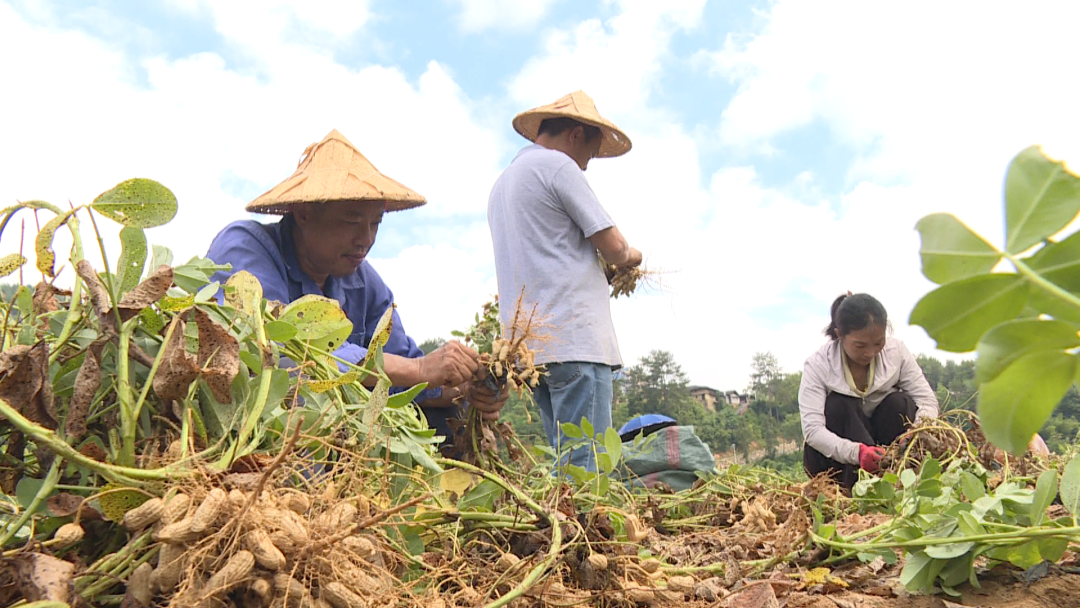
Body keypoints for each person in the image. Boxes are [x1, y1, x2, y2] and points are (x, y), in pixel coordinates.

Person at [207, 129, 508, 447]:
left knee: (442, 424)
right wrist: (418, 368)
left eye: (375, 223)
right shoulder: (246, 246)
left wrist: (466, 388)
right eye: (351, 222)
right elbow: (277, 350)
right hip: (253, 424)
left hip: (347, 429)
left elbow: (407, 375)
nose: (366, 239)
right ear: (304, 214)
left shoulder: (365, 283)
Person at [487, 91, 643, 469]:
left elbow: (550, 254)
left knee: (566, 463)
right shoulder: (557, 167)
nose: (586, 166)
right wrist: (631, 259)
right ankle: (589, 530)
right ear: (575, 135)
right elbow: (615, 246)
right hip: (574, 343)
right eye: (589, 153)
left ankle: (563, 527)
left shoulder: (502, 185)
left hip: (532, 352)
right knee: (588, 468)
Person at [799, 293, 938, 490]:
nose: (870, 352)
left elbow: (927, 401)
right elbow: (813, 430)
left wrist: (915, 433)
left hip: (887, 443)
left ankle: (893, 477)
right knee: (839, 405)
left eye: (878, 343)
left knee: (900, 403)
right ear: (840, 335)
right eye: (860, 345)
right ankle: (851, 487)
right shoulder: (819, 364)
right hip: (838, 461)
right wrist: (858, 453)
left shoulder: (896, 353)